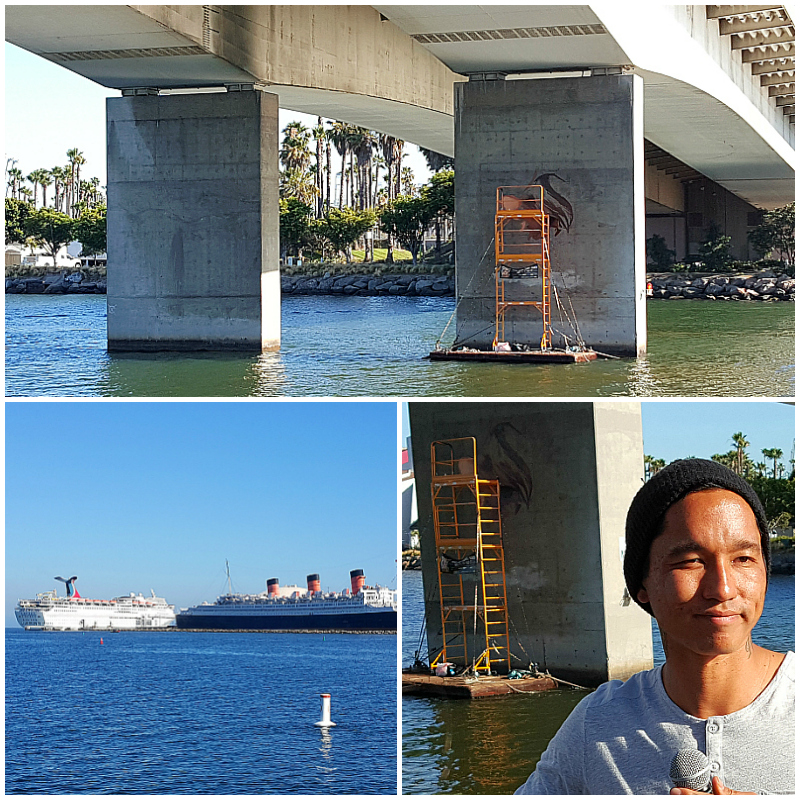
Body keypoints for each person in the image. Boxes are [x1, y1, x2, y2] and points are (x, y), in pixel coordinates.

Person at [515, 459, 794, 795]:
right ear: (642, 582)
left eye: (744, 559)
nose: (723, 588)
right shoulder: (598, 726)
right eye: (691, 561)